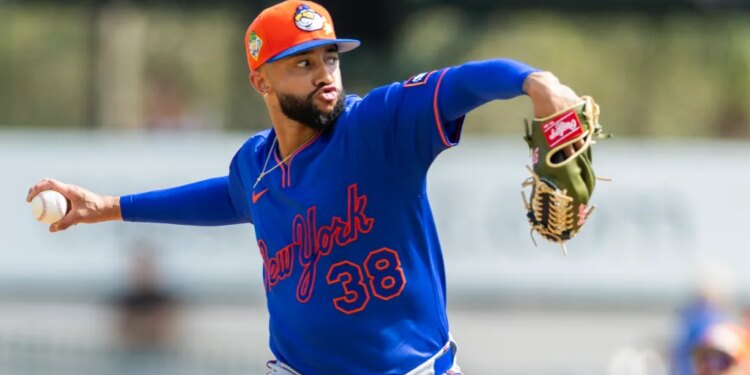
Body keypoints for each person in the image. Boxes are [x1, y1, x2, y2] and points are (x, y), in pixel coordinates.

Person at [26, 1, 590, 373]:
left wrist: (533, 81)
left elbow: (465, 81)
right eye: (301, 63)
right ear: (261, 80)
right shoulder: (256, 163)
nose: (324, 73)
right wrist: (111, 207)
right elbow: (227, 196)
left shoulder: (377, 126)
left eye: (329, 58)